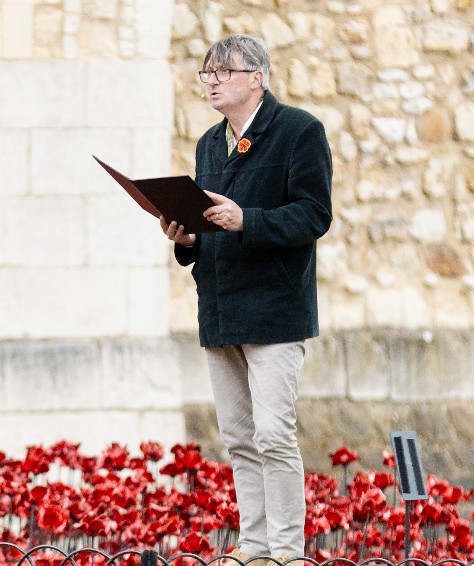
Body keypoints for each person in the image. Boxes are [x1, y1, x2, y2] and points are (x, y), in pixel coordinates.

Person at [160, 35, 332, 562]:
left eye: (222, 71)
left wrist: (246, 220)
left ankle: (286, 551)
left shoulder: (299, 131)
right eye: (206, 72)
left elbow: (313, 215)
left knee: (274, 436)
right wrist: (185, 239)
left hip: (275, 311)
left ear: (257, 77)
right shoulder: (209, 144)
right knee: (238, 439)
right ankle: (254, 547)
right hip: (220, 308)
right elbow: (206, 225)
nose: (210, 80)